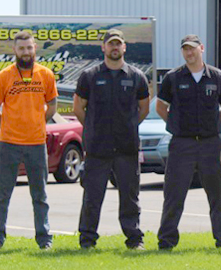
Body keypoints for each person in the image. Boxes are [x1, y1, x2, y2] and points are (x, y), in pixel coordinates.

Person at [155, 34, 221, 251]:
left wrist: (213, 123)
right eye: (185, 49)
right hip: (182, 144)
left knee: (217, 196)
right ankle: (166, 241)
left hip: (210, 143)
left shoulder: (217, 77)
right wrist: (176, 124)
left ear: (201, 48)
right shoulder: (173, 77)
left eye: (192, 48)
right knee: (174, 194)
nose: (189, 53)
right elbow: (161, 107)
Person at [73, 29, 150, 250]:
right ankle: (87, 240)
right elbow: (79, 108)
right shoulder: (90, 76)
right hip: (98, 148)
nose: (115, 47)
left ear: (124, 47)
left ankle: (134, 239)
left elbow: (143, 108)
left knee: (130, 197)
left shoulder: (136, 76)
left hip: (126, 147)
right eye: (111, 44)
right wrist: (94, 128)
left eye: (118, 44)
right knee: (92, 197)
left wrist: (128, 126)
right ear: (103, 47)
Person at [0, 31, 57, 251]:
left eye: (29, 48)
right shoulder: (3, 77)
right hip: (9, 143)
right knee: (2, 195)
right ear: (14, 50)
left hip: (36, 144)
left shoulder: (46, 75)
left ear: (35, 48)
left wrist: (37, 122)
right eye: (21, 48)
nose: (26, 52)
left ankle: (44, 239)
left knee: (40, 195)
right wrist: (8, 127)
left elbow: (52, 106)